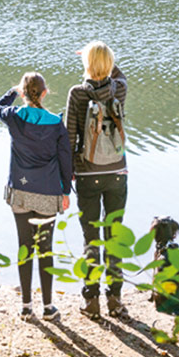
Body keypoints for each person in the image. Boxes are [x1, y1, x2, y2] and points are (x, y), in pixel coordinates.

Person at [0, 72, 72, 322]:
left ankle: (26, 306)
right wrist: (66, 192)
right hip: (48, 193)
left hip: (20, 192)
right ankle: (48, 307)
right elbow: (65, 160)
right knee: (46, 249)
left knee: (24, 247)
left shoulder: (15, 118)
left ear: (24, 94)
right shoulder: (55, 123)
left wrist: (13, 92)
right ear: (46, 93)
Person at [64, 41, 128, 319]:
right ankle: (115, 301)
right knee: (114, 237)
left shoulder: (77, 94)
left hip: (88, 174)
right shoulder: (120, 89)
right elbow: (118, 75)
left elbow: (69, 137)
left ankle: (91, 302)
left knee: (91, 239)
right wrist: (103, 60)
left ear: (86, 64)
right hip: (117, 171)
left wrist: (67, 178)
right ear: (111, 64)